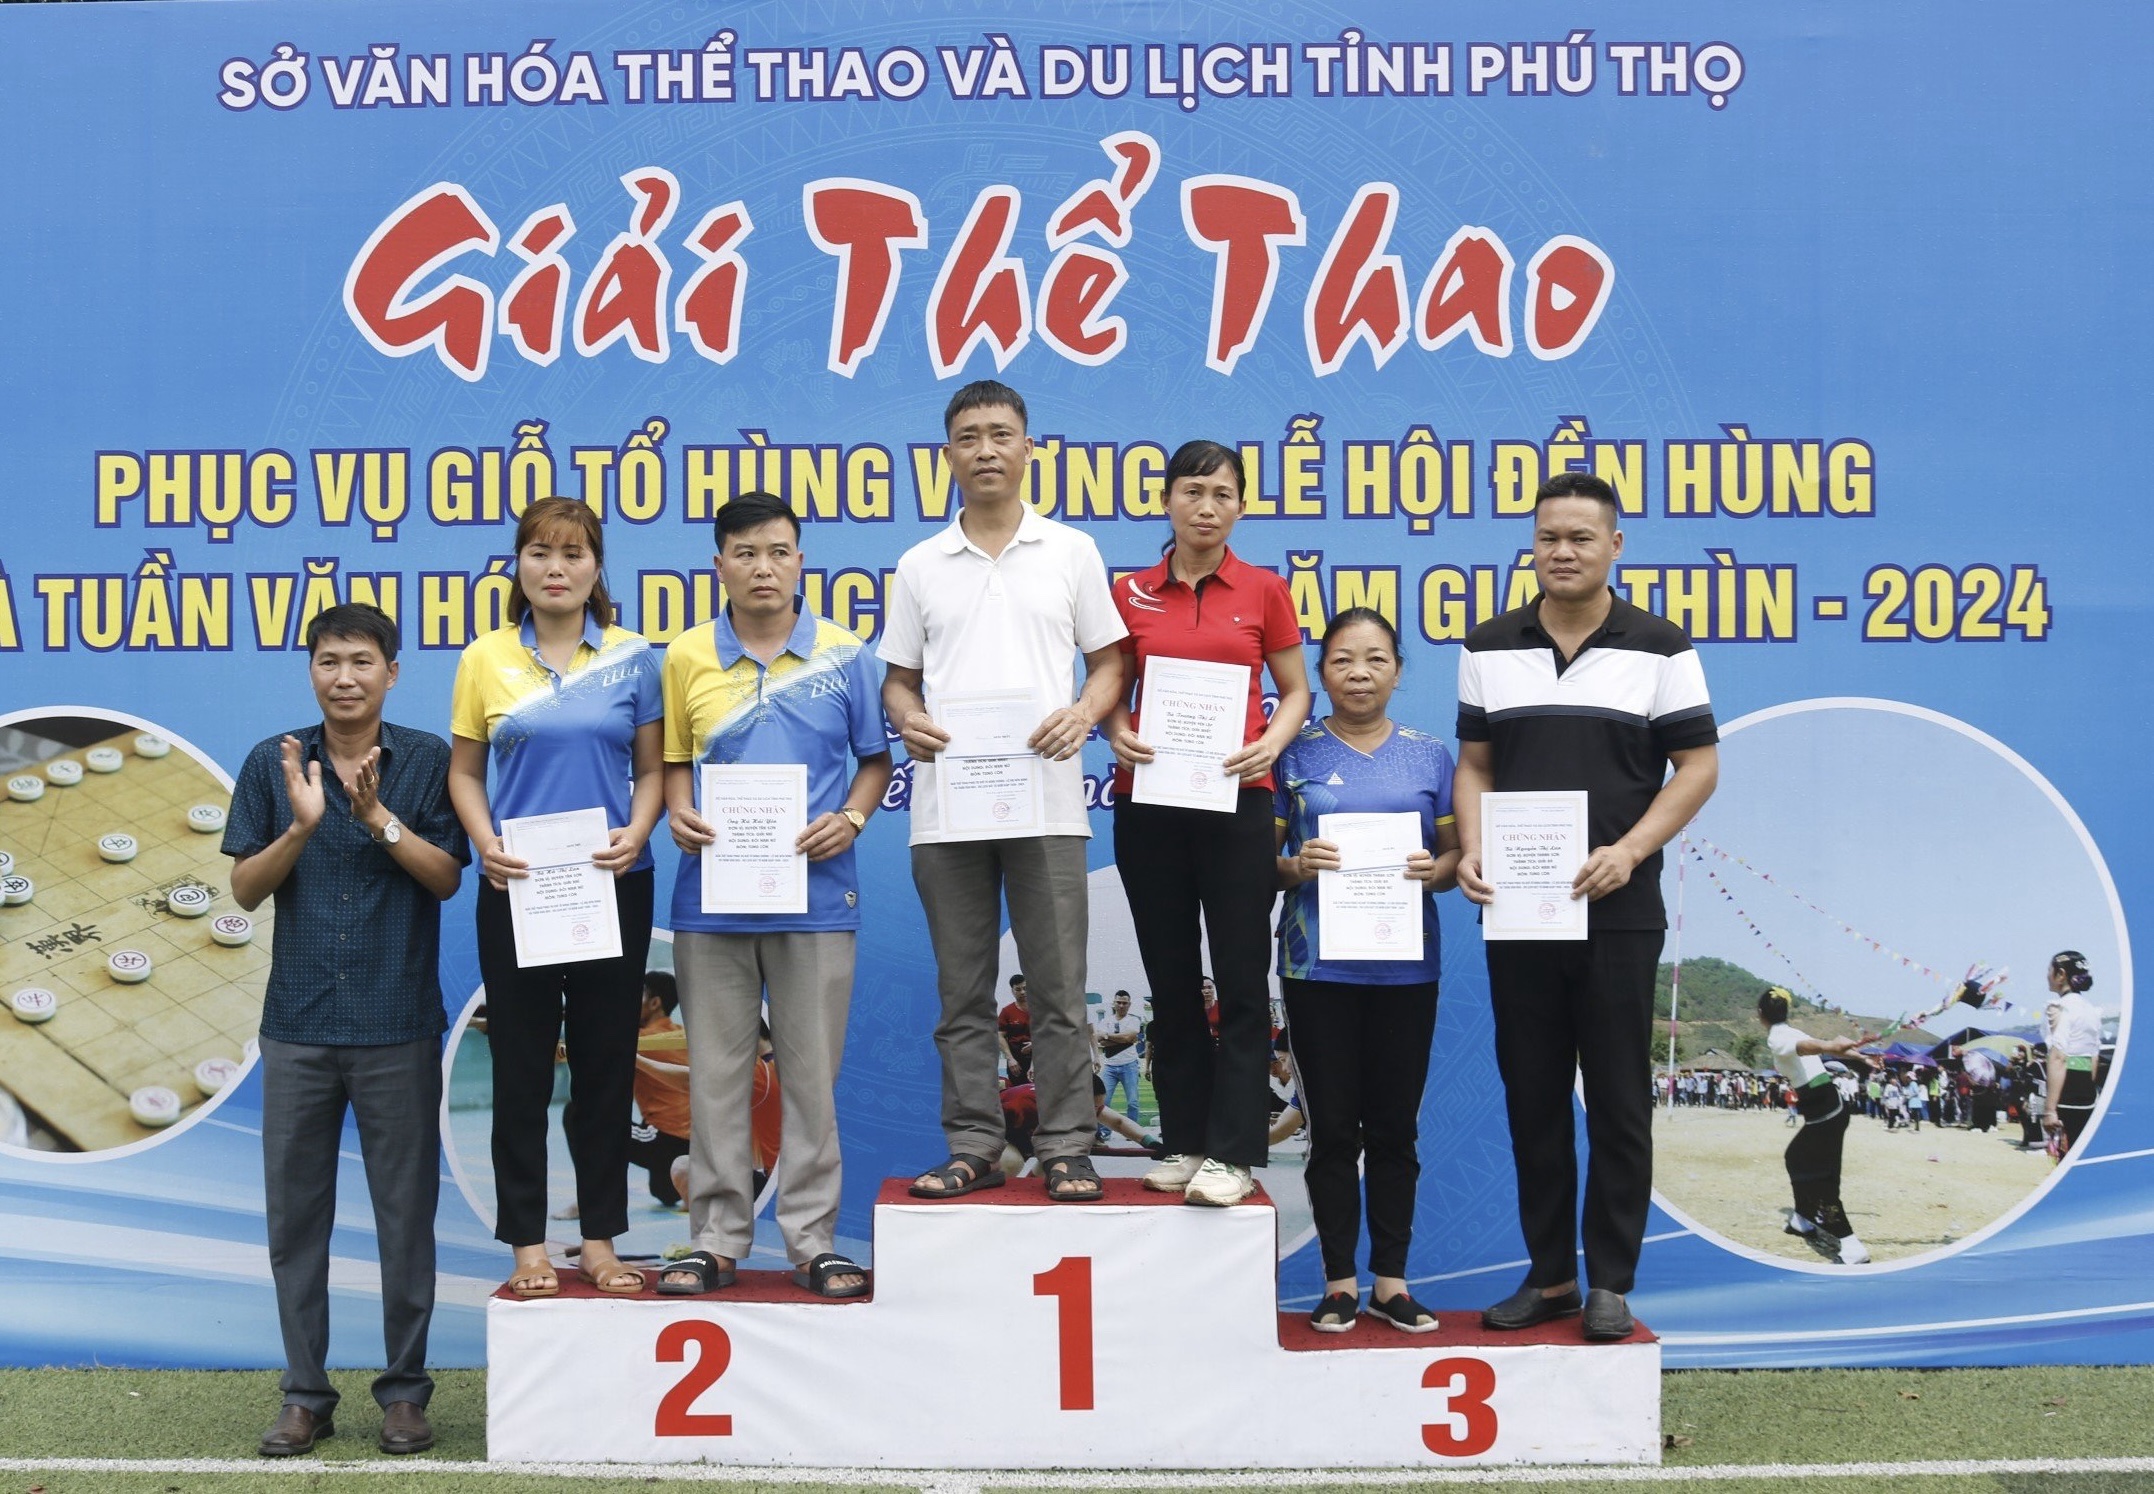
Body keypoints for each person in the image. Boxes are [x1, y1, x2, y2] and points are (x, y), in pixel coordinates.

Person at [1454, 471, 1719, 1342]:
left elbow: (1699, 767)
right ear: (1531, 548)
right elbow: (1477, 765)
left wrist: (1632, 851)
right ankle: (1551, 1276)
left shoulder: (1660, 645)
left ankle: (1611, 1279)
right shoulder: (1490, 643)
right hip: (1522, 913)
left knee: (1615, 1097)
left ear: (1615, 545)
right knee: (1530, 1095)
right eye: (1547, 538)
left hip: (1619, 908)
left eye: (1580, 537)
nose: (1562, 552)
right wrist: (1474, 842)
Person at [223, 603, 468, 1457]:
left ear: (392, 672)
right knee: (296, 1221)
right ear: (312, 670)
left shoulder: (429, 760)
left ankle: (404, 1394)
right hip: (295, 1027)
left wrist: (376, 821)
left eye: (363, 661)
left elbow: (445, 879)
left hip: (396, 1023)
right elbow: (244, 891)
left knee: (406, 1218)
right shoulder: (275, 762)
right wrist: (304, 825)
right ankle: (305, 1395)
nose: (345, 677)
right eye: (329, 661)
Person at [880, 381, 1127, 1204]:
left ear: (1029, 448)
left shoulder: (1071, 552)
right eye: (968, 437)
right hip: (949, 810)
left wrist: (1085, 712)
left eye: (1000, 435)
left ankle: (1064, 1145)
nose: (985, 450)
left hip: (1048, 804)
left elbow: (1109, 662)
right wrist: (909, 719)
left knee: (1058, 989)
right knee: (963, 992)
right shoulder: (920, 565)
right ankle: (975, 1142)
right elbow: (899, 683)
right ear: (946, 454)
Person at [656, 492, 893, 1299]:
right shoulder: (686, 656)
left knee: (808, 1076)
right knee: (715, 1075)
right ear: (718, 563)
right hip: (710, 901)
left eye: (780, 551)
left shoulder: (845, 654)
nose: (764, 567)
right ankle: (717, 1239)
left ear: (801, 560)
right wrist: (680, 810)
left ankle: (812, 1240)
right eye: (747, 552)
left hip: (818, 898)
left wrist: (852, 818)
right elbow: (673, 764)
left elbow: (875, 760)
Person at [447, 497, 664, 1301]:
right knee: (522, 1072)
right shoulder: (486, 659)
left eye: (573, 554)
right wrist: (485, 843)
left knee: (607, 1067)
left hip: (615, 884)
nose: (556, 568)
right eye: (540, 552)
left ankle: (600, 1242)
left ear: (597, 568)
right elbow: (466, 773)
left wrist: (640, 830)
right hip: (517, 888)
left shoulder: (637, 659)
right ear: (519, 565)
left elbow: (652, 770)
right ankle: (528, 1247)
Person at [1107, 439, 1311, 1207]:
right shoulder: (1129, 592)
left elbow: (1293, 689)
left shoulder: (1263, 589)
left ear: (1241, 506)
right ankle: (1186, 1139)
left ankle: (1233, 1152)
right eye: (1193, 491)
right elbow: (1110, 687)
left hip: (1239, 801)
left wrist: (1271, 740)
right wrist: (1113, 732)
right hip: (1149, 801)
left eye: (1222, 494)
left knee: (1239, 977)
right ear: (1167, 500)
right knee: (1170, 976)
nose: (1206, 507)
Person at [1273, 607, 1458, 1333]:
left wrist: (1433, 868)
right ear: (1320, 672)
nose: (1359, 672)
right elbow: (1264, 860)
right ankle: (1339, 1281)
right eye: (1343, 659)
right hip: (1317, 968)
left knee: (1394, 1129)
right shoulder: (1292, 753)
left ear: (1399, 671)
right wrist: (1295, 863)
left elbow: (1454, 861)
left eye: (1376, 659)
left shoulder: (1430, 755)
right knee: (1331, 1131)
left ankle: (1392, 1280)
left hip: (1406, 969)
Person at [1756, 989, 1871, 1266]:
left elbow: (1807, 1047)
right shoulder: (1791, 1031)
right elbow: (1811, 1044)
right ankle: (1802, 1219)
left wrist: (1832, 1046)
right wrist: (1861, 1058)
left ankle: (1850, 1245)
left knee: (1820, 1177)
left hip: (1825, 1112)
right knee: (1796, 1158)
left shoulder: (1778, 1038)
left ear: (1760, 1015)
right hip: (1829, 1109)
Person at [627, 972, 691, 1207]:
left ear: (655, 1003)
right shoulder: (680, 1033)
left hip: (666, 1139)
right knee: (664, 1192)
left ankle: (587, 1203)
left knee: (580, 1115)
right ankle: (688, 1171)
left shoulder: (642, 1040)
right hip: (691, 1142)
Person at [2043, 950, 2103, 1156]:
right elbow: (2094, 1058)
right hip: (2087, 1093)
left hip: (2064, 1092)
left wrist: (2050, 1109)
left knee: (2065, 1155)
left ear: (2060, 975)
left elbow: (2058, 1057)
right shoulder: (2091, 1010)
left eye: (2050, 970)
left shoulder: (2059, 1007)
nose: (2047, 975)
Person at [1095, 989, 1145, 1123]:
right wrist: (1123, 1039)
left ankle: (1133, 1130)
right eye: (1119, 1002)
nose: (1121, 1005)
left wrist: (1108, 1036)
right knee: (1103, 1102)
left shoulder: (1134, 1020)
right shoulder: (1106, 1020)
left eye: (1124, 1003)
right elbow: (1100, 1039)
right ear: (1114, 1003)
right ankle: (1105, 1131)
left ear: (1129, 1004)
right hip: (1110, 1065)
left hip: (1129, 1064)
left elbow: (1129, 1036)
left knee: (1132, 1102)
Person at [998, 973, 1034, 1084]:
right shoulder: (1007, 1012)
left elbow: (1048, 1034)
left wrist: (1035, 1044)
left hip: (1038, 1057)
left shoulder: (1039, 1010)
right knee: (1017, 1095)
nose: (1022, 992)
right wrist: (1010, 1059)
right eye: (1018, 989)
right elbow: (1000, 1035)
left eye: (1025, 988)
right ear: (1012, 991)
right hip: (1016, 1062)